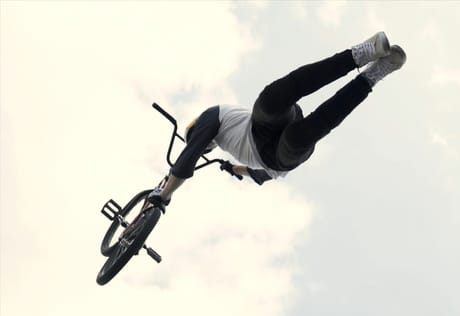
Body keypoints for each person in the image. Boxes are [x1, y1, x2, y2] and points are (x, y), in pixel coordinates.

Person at [147, 31, 406, 212]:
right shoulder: (234, 152)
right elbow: (260, 175)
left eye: (201, 143)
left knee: (271, 101)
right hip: (275, 159)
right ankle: (373, 76)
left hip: (263, 125)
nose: (205, 147)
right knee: (298, 138)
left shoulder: (212, 117)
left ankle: (359, 55)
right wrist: (235, 169)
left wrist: (165, 193)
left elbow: (188, 156)